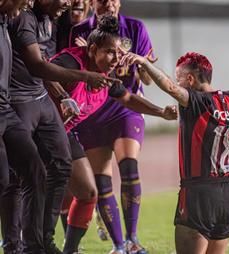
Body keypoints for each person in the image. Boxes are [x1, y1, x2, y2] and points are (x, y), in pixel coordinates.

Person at [127, 45, 229, 253]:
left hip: (197, 193)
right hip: (226, 195)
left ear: (191, 80)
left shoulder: (197, 102)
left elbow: (170, 88)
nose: (178, 84)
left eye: (180, 79)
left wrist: (145, 63)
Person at [46, 14, 177, 254]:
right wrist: (61, 95)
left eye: (118, 54)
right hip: (40, 130)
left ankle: (70, 250)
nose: (116, 59)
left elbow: (127, 98)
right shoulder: (72, 62)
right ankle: (28, 242)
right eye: (110, 52)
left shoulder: (107, 77)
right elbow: (41, 71)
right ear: (93, 49)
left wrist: (162, 112)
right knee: (41, 191)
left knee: (88, 192)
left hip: (62, 134)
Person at [0, 1, 121, 253]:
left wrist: (52, 84)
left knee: (59, 165)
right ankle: (14, 244)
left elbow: (40, 57)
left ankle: (42, 241)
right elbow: (36, 64)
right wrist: (84, 76)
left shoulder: (48, 19)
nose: (67, 3)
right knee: (15, 176)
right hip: (19, 101)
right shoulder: (23, 18)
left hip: (39, 98)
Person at [69, 0, 156, 252]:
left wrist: (142, 63)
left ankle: (133, 239)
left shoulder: (136, 28)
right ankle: (119, 246)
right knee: (102, 181)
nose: (109, 3)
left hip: (125, 107)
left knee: (129, 166)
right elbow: (73, 69)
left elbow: (148, 79)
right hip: (93, 112)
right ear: (91, 3)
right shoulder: (80, 31)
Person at [0, 0, 48, 253]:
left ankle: (31, 248)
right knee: (3, 179)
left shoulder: (7, 21)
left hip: (5, 110)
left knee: (35, 171)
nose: (29, 3)